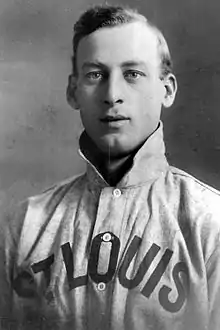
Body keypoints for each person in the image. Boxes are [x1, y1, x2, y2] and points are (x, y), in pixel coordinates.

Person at [1, 4, 220, 330]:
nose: (112, 94)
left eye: (133, 74)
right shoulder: (23, 227)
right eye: (95, 75)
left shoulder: (211, 223)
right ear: (73, 91)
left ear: (167, 89)